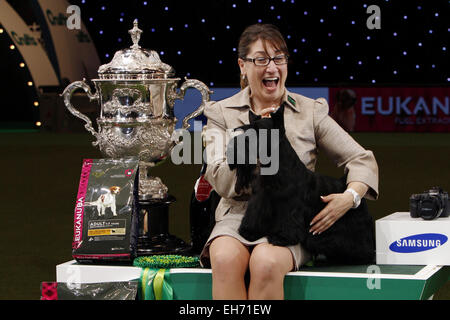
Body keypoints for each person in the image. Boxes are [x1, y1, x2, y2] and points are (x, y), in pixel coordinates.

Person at [199, 23, 379, 300]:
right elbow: (219, 177)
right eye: (261, 59)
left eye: (279, 58)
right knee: (223, 258)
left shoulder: (310, 111)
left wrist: (350, 197)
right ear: (242, 66)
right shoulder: (220, 113)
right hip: (237, 216)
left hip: (291, 219)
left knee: (266, 262)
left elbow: (360, 158)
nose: (272, 67)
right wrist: (261, 144)